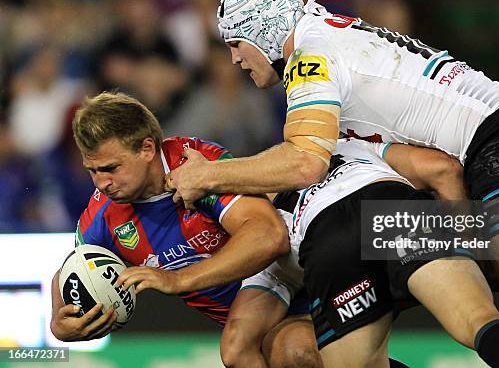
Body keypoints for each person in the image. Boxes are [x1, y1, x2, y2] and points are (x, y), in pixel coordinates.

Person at [166, 0, 499, 365]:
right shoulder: (333, 35)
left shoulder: (310, 58)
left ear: (262, 33)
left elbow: (305, 161)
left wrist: (209, 175)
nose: (234, 60)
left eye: (235, 44)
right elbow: (437, 167)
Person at [123, 137, 499, 368]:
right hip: (396, 208)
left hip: (329, 240)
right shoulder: (357, 141)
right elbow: (443, 170)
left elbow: (267, 254)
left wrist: (206, 177)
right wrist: (467, 242)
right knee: (479, 319)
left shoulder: (263, 191)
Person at [48, 92, 322, 368]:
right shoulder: (102, 216)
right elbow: (73, 269)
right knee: (283, 350)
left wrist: (177, 279)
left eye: (111, 168)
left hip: (308, 285)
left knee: (281, 349)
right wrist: (59, 322)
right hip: (269, 324)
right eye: (92, 171)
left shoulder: (196, 166)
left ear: (146, 149)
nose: (101, 183)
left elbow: (269, 236)